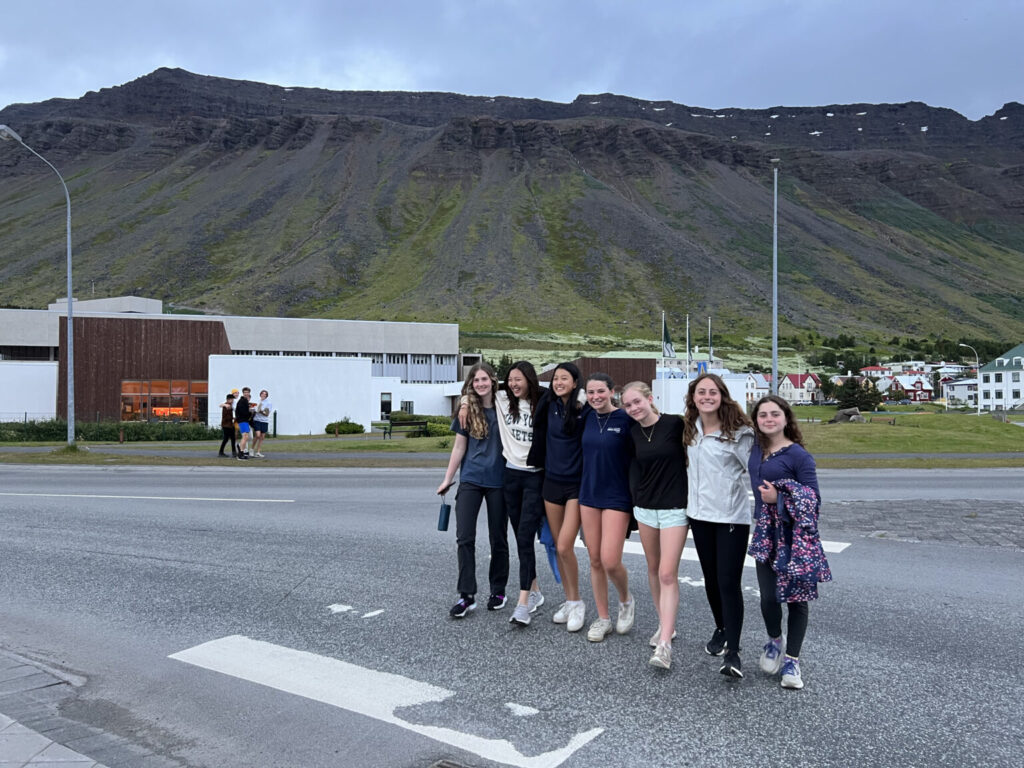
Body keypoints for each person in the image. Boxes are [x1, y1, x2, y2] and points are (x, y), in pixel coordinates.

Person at [748, 395, 832, 690]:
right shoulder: (756, 449)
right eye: (762, 415)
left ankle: (792, 661)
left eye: (774, 414)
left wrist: (779, 498)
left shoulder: (799, 456)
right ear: (756, 420)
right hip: (765, 534)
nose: (768, 419)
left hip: (794, 537)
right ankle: (774, 640)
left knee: (797, 600)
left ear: (786, 418)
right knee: (768, 597)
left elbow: (814, 499)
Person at [461, 362, 546, 625]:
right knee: (520, 537)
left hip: (535, 476)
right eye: (510, 380)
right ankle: (534, 591)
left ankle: (521, 602)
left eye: (518, 380)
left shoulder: (543, 400)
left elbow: (571, 395)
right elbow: (475, 389)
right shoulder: (501, 397)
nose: (513, 384)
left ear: (529, 380)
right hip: (510, 475)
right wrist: (464, 402)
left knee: (522, 538)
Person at [683, 372, 754, 678]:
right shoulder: (689, 430)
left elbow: (758, 468)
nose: (707, 397)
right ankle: (721, 628)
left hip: (730, 519)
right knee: (711, 580)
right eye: (701, 392)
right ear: (693, 397)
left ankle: (734, 654)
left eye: (713, 392)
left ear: (723, 396)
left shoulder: (740, 433)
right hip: (699, 517)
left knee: (728, 582)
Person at [622, 381, 688, 669]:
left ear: (650, 399)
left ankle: (664, 645)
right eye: (628, 405)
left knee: (666, 573)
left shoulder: (675, 424)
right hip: (645, 508)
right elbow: (632, 469)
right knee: (652, 568)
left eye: (637, 401)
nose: (634, 408)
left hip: (674, 507)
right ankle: (666, 624)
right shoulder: (632, 433)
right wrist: (634, 502)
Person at [437, 363, 508, 619]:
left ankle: (498, 590)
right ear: (471, 383)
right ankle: (466, 595)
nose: (480, 384)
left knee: (498, 538)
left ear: (492, 380)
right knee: (464, 538)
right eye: (476, 380)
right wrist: (447, 479)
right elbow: (458, 448)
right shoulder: (465, 412)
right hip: (471, 479)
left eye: (484, 379)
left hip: (499, 481)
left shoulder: (504, 405)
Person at [527, 363, 588, 632]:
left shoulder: (584, 408)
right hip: (551, 482)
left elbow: (609, 410)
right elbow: (519, 387)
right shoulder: (547, 404)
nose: (558, 382)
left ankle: (578, 604)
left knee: (564, 546)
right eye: (555, 378)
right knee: (557, 549)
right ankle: (569, 600)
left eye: (565, 378)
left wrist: (584, 398)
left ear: (576, 383)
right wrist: (467, 401)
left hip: (576, 485)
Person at [579, 372, 635, 643]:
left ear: (612, 391)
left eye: (600, 391)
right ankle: (603, 618)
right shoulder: (585, 417)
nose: (595, 397)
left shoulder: (626, 419)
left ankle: (626, 600)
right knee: (595, 559)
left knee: (611, 560)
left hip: (617, 496)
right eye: (590, 392)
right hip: (588, 494)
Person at [235, 387, 255, 460]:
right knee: (245, 436)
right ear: (243, 393)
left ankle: (241, 452)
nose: (246, 393)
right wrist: (250, 411)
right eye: (245, 392)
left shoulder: (245, 401)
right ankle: (240, 454)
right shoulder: (242, 401)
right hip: (242, 420)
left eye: (248, 392)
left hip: (244, 421)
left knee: (246, 437)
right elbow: (243, 412)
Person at [252, 389, 272, 457]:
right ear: (260, 394)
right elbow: (254, 410)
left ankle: (258, 452)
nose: (263, 395)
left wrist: (260, 411)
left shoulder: (269, 403)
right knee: (257, 435)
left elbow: (267, 414)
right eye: (262, 394)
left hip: (264, 421)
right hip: (257, 420)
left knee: (262, 437)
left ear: (266, 396)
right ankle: (252, 449)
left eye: (265, 394)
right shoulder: (257, 402)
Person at [218, 393, 237, 457]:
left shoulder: (228, 405)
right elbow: (226, 416)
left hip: (229, 424)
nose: (233, 401)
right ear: (228, 399)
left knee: (233, 438)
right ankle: (221, 452)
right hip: (226, 425)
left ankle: (233, 452)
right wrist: (233, 418)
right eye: (232, 399)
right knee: (226, 439)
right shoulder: (227, 406)